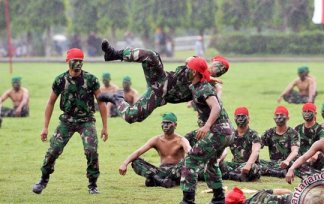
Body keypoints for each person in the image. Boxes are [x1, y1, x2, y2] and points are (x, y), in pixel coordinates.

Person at [32, 48, 108, 195]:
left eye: (81, 61)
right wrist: (45, 127)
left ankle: (92, 184)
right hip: (67, 121)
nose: (78, 63)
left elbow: (101, 103)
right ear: (68, 62)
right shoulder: (61, 80)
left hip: (86, 121)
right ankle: (43, 180)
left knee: (91, 150)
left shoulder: (91, 80)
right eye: (75, 60)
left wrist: (105, 127)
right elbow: (50, 103)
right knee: (54, 150)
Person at [98, 40, 229, 123]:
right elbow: (188, 60)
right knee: (151, 56)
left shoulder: (209, 87)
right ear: (213, 62)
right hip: (162, 79)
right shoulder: (199, 62)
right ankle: (114, 54)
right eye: (219, 65)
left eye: (222, 70)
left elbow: (214, 106)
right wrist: (205, 75)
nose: (219, 69)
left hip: (160, 96)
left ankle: (117, 98)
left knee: (132, 116)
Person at [168, 57, 234, 204]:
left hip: (218, 131)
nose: (186, 71)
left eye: (188, 69)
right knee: (211, 161)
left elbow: (216, 107)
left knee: (191, 160)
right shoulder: (199, 85)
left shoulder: (204, 88)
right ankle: (219, 198)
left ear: (194, 72)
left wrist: (206, 126)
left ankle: (188, 203)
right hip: (226, 132)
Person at [118, 112, 191, 188]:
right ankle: (160, 181)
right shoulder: (156, 140)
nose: (165, 125)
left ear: (175, 125)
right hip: (161, 171)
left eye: (169, 123)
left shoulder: (181, 140)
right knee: (136, 162)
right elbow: (138, 152)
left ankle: (156, 180)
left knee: (188, 161)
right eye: (164, 123)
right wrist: (124, 163)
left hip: (176, 171)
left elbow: (190, 151)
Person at [219, 106, 261, 182]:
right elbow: (224, 150)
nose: (240, 119)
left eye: (243, 116)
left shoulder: (254, 134)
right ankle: (237, 176)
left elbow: (256, 151)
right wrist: (218, 160)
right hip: (235, 165)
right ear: (235, 118)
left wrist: (248, 164)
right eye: (238, 116)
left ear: (248, 118)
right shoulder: (231, 134)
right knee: (217, 164)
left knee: (253, 167)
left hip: (250, 165)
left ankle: (229, 175)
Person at [260, 106, 300, 178]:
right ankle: (278, 172)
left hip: (288, 162)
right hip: (274, 163)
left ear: (287, 118)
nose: (279, 117)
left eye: (282, 115)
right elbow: (257, 145)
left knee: (292, 164)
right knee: (258, 162)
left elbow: (295, 151)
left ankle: (271, 171)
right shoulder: (269, 132)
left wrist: (287, 161)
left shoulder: (293, 133)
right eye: (277, 115)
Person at [294, 102, 324, 171]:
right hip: (300, 158)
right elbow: (294, 146)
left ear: (315, 113)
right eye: (305, 111)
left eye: (309, 111)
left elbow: (321, 146)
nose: (307, 113)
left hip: (314, 158)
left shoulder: (320, 130)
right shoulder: (297, 128)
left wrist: (315, 155)